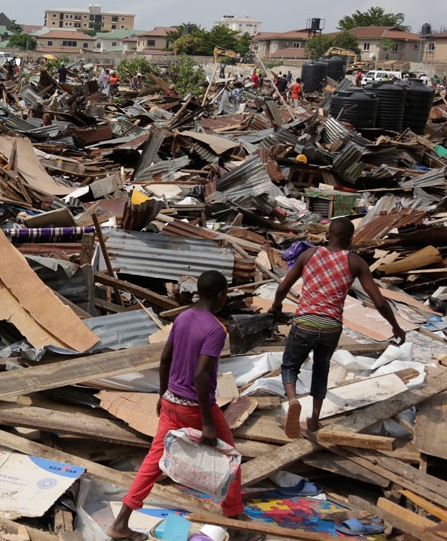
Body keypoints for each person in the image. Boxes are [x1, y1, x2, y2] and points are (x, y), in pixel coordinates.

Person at [106, 271, 261, 541]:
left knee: (153, 462)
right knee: (230, 460)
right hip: (195, 407)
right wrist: (208, 422)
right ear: (222, 296)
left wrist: (162, 393)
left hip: (171, 402)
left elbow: (165, 358)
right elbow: (201, 376)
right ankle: (236, 528)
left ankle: (120, 523)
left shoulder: (182, 318)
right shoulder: (215, 329)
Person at [269, 218, 405, 438]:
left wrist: (276, 306)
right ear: (350, 239)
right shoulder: (355, 262)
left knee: (290, 365)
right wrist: (396, 327)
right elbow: (380, 302)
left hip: (305, 323)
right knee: (321, 369)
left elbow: (283, 287)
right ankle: (313, 421)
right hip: (332, 327)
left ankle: (293, 400)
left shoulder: (308, 255)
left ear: (328, 234)